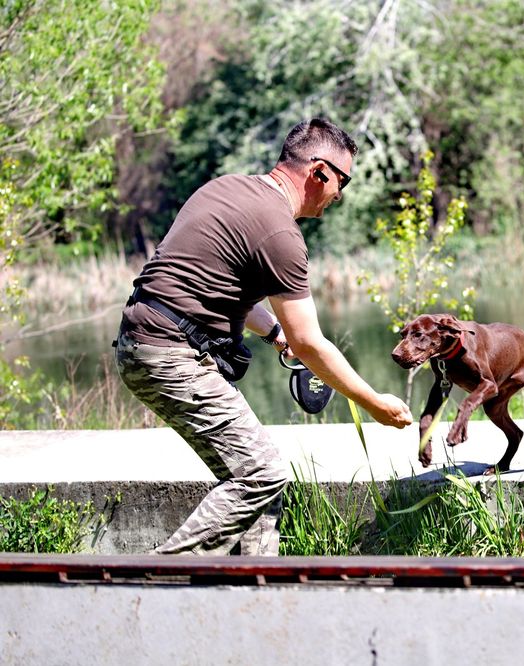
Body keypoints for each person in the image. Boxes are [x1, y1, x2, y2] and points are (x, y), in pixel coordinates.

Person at [114, 118, 413, 556]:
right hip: (171, 355)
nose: (340, 195)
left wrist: (274, 332)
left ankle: (258, 587)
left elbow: (212, 290)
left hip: (144, 342)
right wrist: (374, 403)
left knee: (257, 482)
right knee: (261, 473)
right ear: (319, 172)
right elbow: (310, 343)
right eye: (342, 181)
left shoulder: (226, 189)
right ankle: (155, 581)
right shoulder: (280, 234)